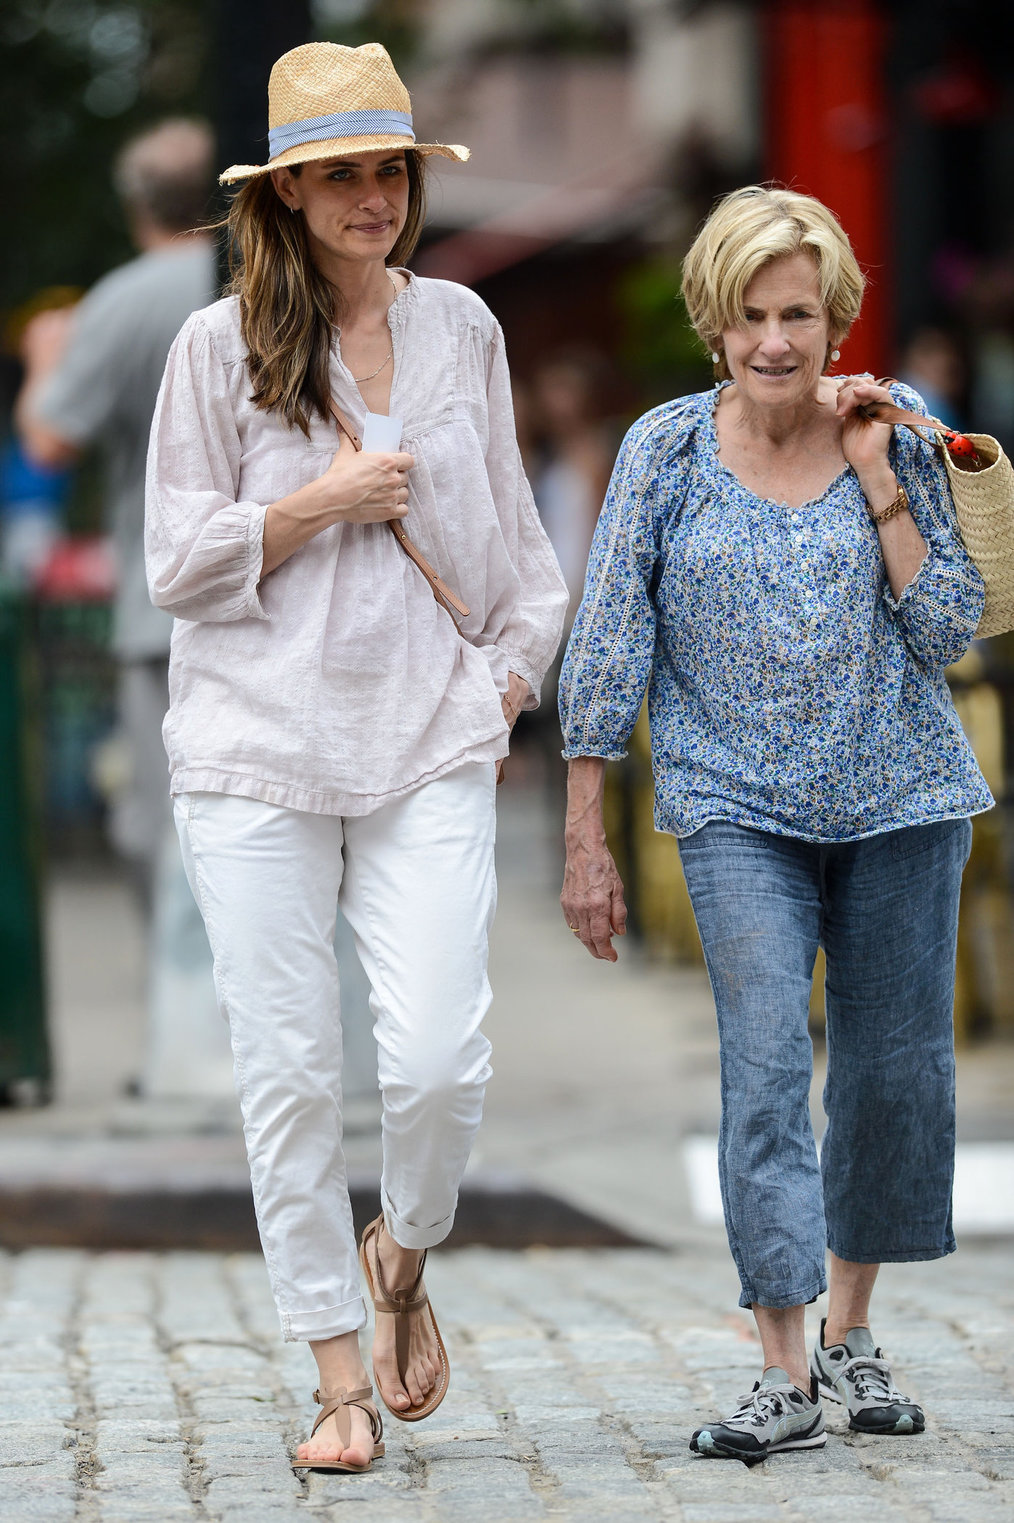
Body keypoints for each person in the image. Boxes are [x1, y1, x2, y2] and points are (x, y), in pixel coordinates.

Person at [145, 42, 566, 1473]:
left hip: (424, 735)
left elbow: (515, 538)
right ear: (288, 193)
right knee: (288, 1070)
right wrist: (314, 502)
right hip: (253, 746)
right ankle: (335, 1373)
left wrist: (504, 678)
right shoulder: (215, 349)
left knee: (441, 1056)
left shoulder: (461, 326)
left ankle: (406, 1246)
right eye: (342, 173)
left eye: (388, 168)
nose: (374, 195)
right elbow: (174, 563)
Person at [559, 185, 991, 1464]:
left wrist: (876, 476)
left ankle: (853, 1333)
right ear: (713, 319)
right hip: (734, 803)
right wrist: (587, 831)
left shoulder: (895, 435)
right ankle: (782, 1365)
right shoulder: (665, 450)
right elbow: (609, 637)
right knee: (761, 1064)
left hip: (903, 797)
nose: (775, 342)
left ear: (834, 314)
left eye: (797, 313)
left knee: (893, 1073)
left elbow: (949, 629)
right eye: (750, 315)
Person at [15, 120, 231, 1101]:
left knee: (168, 821)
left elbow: (52, 438)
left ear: (140, 204)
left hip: (164, 612)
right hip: (280, 586)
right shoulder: (267, 279)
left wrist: (43, 359)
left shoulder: (123, 301)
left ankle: (189, 1041)